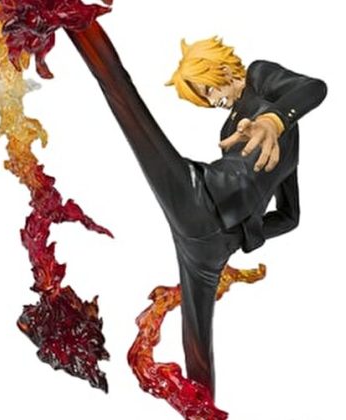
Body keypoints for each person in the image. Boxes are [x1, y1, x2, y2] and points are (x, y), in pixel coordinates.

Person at [67, 25, 327, 399]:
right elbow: (286, 215)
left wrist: (273, 121)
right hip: (198, 207)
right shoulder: (229, 128)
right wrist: (246, 230)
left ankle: (75, 17)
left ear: (222, 69)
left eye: (208, 89)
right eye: (203, 97)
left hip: (210, 232)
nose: (212, 100)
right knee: (123, 100)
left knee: (197, 345)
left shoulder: (259, 78)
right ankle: (74, 20)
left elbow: (314, 88)